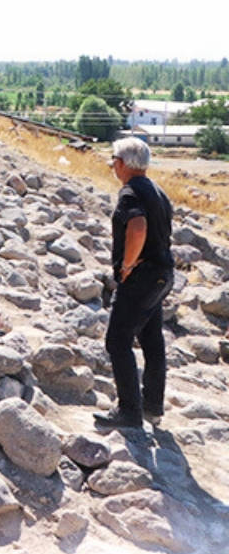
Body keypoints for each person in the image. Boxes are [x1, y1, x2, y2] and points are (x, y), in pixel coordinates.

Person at [94, 137, 174, 429]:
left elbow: (137, 228)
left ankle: (129, 412)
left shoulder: (129, 192)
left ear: (122, 163)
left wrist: (127, 265)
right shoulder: (157, 191)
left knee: (117, 341)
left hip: (141, 276)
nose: (112, 166)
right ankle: (152, 405)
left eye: (113, 160)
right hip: (163, 274)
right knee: (152, 340)